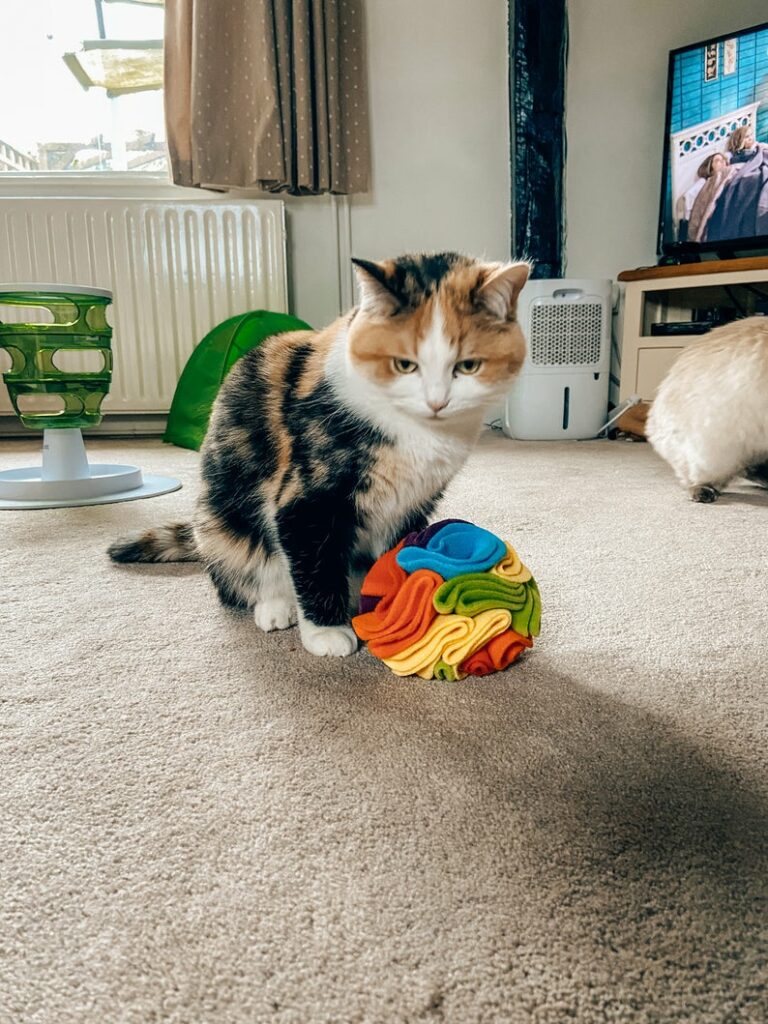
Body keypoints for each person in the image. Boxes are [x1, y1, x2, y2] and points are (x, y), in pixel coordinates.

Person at [707, 126, 768, 242]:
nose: (751, 138)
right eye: (746, 137)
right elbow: (742, 164)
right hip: (754, 174)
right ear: (739, 141)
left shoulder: (760, 147)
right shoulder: (737, 156)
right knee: (751, 180)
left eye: (751, 135)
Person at [687, 152, 735, 243]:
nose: (722, 162)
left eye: (724, 160)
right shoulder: (708, 183)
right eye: (717, 160)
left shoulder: (732, 169)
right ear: (710, 168)